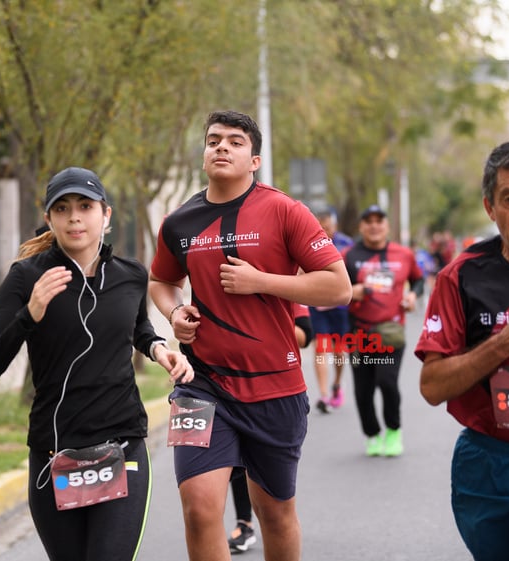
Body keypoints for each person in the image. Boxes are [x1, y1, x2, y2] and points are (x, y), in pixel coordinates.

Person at [149, 110, 351, 561]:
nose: (222, 147)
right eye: (214, 140)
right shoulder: (179, 222)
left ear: (254, 160)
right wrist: (175, 309)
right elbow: (160, 282)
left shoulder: (284, 211)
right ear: (203, 154)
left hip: (274, 388)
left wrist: (263, 281)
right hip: (200, 387)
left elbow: (339, 287)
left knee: (274, 514)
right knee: (199, 511)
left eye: (235, 141)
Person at [0, 166, 193, 561]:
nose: (75, 216)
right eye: (63, 208)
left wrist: (159, 348)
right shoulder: (27, 278)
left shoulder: (130, 275)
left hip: (121, 445)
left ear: (105, 215)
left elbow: (136, 326)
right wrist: (30, 314)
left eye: (85, 206)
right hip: (55, 452)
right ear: (49, 219)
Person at [416, 139, 509, 561]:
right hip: (487, 466)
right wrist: (497, 347)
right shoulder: (459, 278)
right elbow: (431, 387)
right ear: (490, 207)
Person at [227, 304, 312, 555]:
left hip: (273, 388)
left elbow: (306, 335)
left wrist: (260, 323)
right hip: (223, 383)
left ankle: (276, 520)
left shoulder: (283, 279)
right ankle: (244, 522)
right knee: (235, 462)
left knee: (271, 492)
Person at [343, 204, 424, 457]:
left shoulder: (403, 254)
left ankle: (393, 431)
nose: (374, 225)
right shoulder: (348, 256)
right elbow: (334, 286)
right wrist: (349, 292)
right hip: (358, 332)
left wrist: (412, 295)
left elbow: (419, 280)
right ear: (361, 227)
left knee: (387, 382)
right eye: (369, 221)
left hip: (390, 331)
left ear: (387, 225)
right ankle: (372, 434)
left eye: (379, 221)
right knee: (362, 390)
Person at [309, 204, 355, 413]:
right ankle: (324, 395)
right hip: (317, 305)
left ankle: (336, 384)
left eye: (327, 225)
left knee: (338, 351)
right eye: (321, 225)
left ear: (334, 224)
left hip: (339, 306)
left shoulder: (346, 244)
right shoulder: (308, 242)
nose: (325, 228)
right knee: (320, 347)